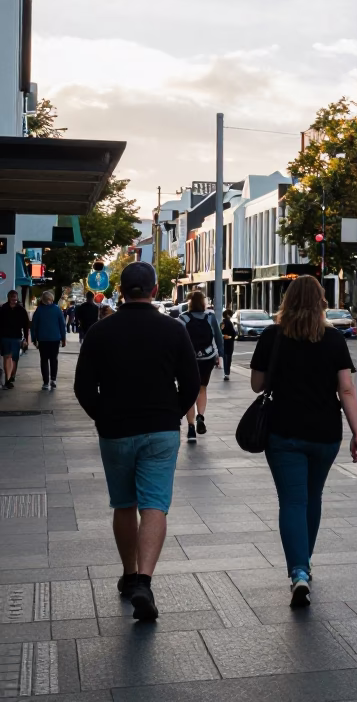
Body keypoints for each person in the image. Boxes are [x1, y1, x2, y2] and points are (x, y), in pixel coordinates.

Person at [74, 262, 199, 621]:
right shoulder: (173, 329)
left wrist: (103, 415)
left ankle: (129, 575)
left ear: (122, 290)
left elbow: (83, 387)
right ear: (154, 290)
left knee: (124, 503)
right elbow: (191, 382)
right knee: (155, 506)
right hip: (160, 428)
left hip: (115, 430)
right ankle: (145, 580)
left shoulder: (101, 331)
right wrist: (171, 412)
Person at [250, 276, 357, 607]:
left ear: (287, 299)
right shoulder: (332, 337)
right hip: (325, 431)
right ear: (321, 301)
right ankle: (305, 563)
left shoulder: (272, 335)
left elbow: (257, 385)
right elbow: (346, 389)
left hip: (283, 430)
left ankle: (298, 571)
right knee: (313, 497)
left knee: (292, 501)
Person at [178, 291, 224, 443]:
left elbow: (176, 340)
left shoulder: (183, 318)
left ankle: (191, 428)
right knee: (202, 388)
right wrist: (220, 356)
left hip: (188, 359)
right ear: (203, 302)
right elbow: (218, 337)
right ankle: (200, 416)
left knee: (188, 390)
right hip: (207, 358)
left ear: (189, 302)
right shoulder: (210, 317)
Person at [30, 291, 66, 390]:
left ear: (43, 299)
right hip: (55, 339)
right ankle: (53, 379)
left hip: (43, 339)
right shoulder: (57, 310)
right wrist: (63, 338)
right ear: (52, 298)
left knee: (44, 360)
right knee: (54, 359)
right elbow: (62, 325)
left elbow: (34, 325)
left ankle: (45, 383)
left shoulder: (39, 310)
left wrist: (34, 339)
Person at [0, 291, 30, 390]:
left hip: (17, 337)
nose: (13, 299)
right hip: (5, 337)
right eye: (12, 297)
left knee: (14, 358)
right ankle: (7, 379)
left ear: (17, 298)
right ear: (8, 297)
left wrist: (26, 338)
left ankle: (12, 375)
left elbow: (26, 326)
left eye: (15, 297)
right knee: (7, 357)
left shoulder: (21, 310)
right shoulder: (3, 309)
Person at [220, 309, 237, 381]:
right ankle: (227, 373)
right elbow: (233, 333)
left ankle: (226, 373)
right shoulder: (229, 322)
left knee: (225, 357)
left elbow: (221, 331)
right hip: (229, 342)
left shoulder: (222, 323)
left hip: (224, 341)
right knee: (228, 358)